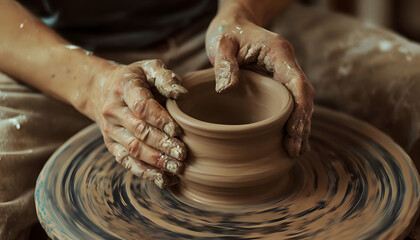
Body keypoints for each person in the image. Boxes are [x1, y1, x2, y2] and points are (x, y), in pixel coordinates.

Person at [1, 0, 419, 239]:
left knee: (412, 88)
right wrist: (89, 82)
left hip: (226, 26)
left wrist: (240, 12)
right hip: (52, 51)